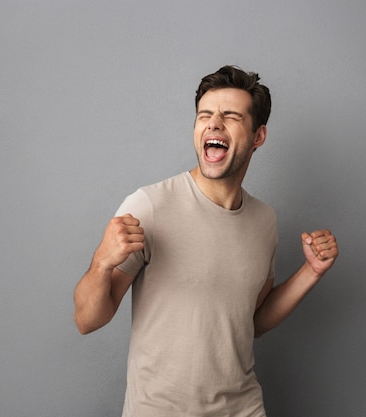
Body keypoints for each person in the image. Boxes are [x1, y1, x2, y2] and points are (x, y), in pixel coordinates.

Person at [73, 65, 339, 417]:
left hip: (243, 409)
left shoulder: (264, 221)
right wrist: (101, 261)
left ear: (258, 136)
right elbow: (87, 320)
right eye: (205, 116)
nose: (214, 124)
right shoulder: (149, 206)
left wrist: (311, 272)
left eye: (230, 116)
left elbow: (250, 322)